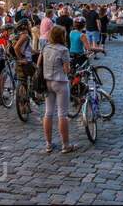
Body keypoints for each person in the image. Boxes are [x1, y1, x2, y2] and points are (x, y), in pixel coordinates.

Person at [38, 25, 74, 154]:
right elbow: (66, 70)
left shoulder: (45, 47)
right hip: (60, 82)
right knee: (62, 114)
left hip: (47, 81)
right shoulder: (63, 50)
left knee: (48, 113)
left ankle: (48, 144)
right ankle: (65, 145)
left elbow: (39, 64)